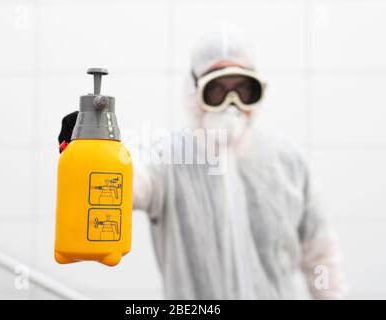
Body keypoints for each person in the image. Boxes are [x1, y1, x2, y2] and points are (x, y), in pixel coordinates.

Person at [58, 29, 345, 299]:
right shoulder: (169, 158)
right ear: (195, 90)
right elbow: (127, 183)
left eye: (243, 89)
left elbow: (322, 256)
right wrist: (92, 150)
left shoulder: (288, 163)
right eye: (217, 89)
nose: (232, 103)